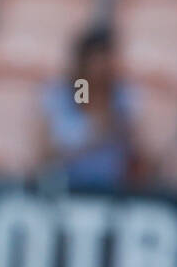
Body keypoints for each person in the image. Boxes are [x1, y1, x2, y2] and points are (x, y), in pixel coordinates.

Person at [38, 27, 140, 191]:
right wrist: (93, 132)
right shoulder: (69, 92)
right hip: (67, 186)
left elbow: (139, 150)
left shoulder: (123, 97)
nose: (99, 69)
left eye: (105, 61)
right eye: (94, 61)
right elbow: (45, 152)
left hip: (112, 188)